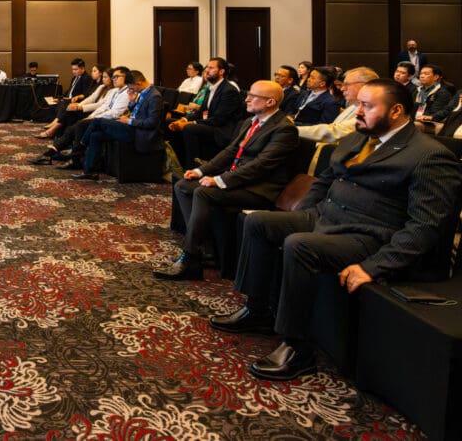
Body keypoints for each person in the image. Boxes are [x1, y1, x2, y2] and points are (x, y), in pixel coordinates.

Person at [209, 80, 462, 381]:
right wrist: (306, 214)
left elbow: (427, 225)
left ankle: (296, 347)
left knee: (300, 245)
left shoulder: (428, 156)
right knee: (258, 222)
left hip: (370, 235)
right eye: (359, 104)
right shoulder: (359, 137)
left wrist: (374, 267)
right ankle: (258, 309)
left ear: (396, 111)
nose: (358, 111)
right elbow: (326, 180)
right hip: (326, 216)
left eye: (367, 106)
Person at [154, 80, 298, 280]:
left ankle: (191, 258)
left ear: (270, 102)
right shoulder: (251, 122)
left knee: (203, 192)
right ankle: (205, 249)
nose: (246, 98)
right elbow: (230, 151)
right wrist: (200, 171)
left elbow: (261, 166)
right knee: (183, 185)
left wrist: (220, 180)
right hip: (239, 180)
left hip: (259, 189)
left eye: (253, 96)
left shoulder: (284, 129)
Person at [71, 70, 162, 181]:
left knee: (97, 121)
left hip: (138, 132)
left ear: (139, 83)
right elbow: (137, 112)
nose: (131, 90)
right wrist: (132, 102)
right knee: (96, 135)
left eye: (132, 87)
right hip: (130, 127)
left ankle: (80, 146)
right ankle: (90, 171)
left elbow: (152, 122)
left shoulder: (154, 96)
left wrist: (129, 121)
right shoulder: (143, 92)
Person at [167, 57, 243, 168]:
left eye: (211, 68)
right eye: (207, 67)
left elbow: (219, 119)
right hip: (209, 123)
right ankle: (179, 163)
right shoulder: (210, 88)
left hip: (221, 130)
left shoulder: (229, 90)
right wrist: (183, 120)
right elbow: (201, 112)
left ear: (221, 72)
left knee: (189, 128)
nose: (207, 70)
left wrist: (189, 124)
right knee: (169, 122)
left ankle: (192, 167)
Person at [297, 67, 379, 143]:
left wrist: (294, 130)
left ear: (364, 85)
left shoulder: (371, 111)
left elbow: (335, 132)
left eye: (347, 84)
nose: (342, 88)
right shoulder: (352, 107)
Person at [38, 63, 107, 139]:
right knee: (66, 107)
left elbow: (97, 103)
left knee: (68, 109)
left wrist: (79, 106)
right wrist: (78, 105)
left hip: (92, 111)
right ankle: (56, 132)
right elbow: (91, 98)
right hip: (85, 106)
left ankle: (53, 130)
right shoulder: (99, 86)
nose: (92, 73)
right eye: (92, 71)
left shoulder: (101, 86)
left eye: (94, 71)